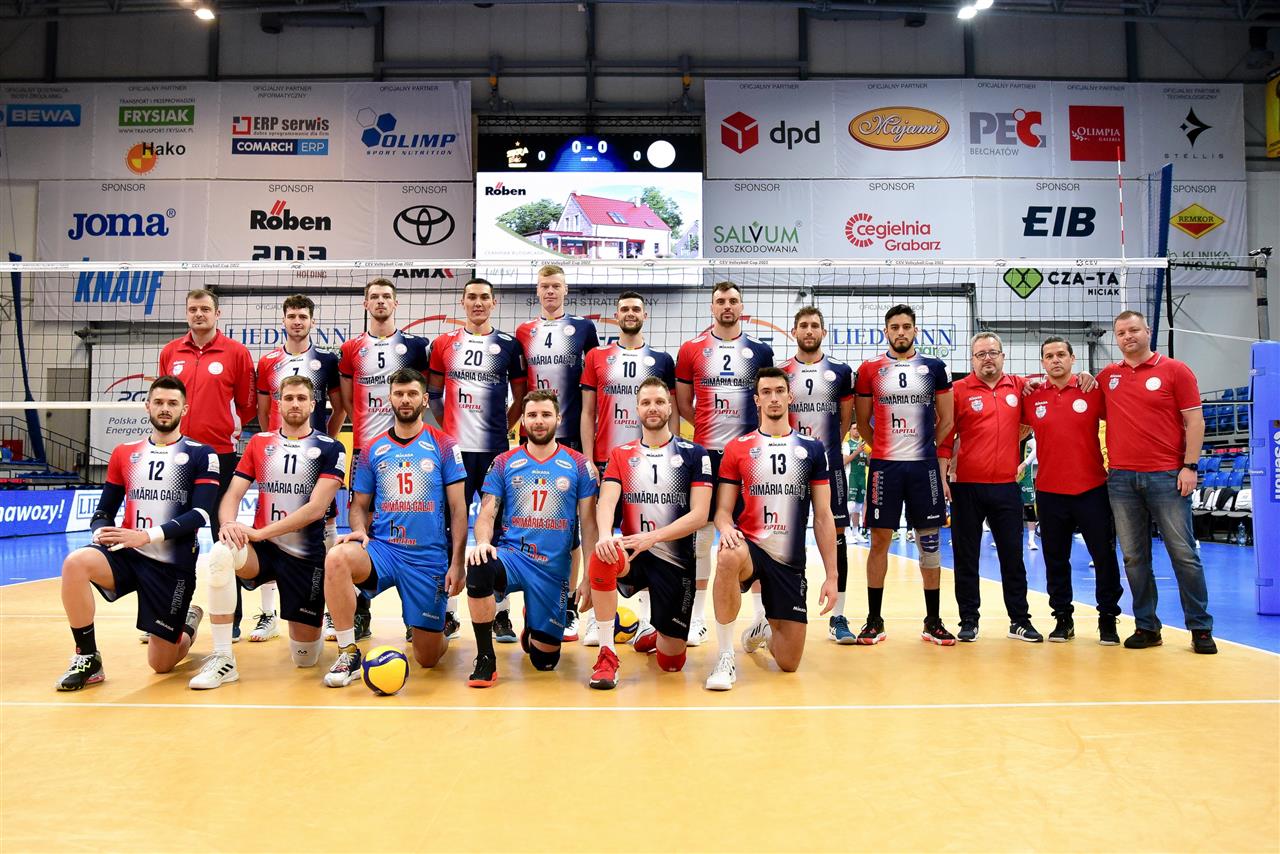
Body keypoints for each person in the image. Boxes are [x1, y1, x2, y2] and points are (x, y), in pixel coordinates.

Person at [54, 376, 216, 690]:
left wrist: (146, 535)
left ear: (184, 408)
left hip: (171, 566)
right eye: (159, 402)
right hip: (129, 554)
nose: (165, 408)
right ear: (147, 406)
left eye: (172, 403)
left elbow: (200, 515)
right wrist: (100, 532)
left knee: (161, 665)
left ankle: (187, 623)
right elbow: (102, 513)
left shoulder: (201, 454)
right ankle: (87, 658)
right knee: (76, 563)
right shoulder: (125, 453)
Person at [190, 376, 345, 689]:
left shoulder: (330, 447)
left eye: (301, 398)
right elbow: (232, 494)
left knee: (305, 658)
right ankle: (223, 658)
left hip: (304, 556)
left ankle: (311, 627)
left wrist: (260, 533)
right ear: (279, 403)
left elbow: (316, 509)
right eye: (289, 398)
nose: (295, 404)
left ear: (313, 405)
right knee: (220, 553)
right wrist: (229, 523)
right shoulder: (260, 443)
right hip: (262, 552)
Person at [321, 368, 468, 686]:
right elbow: (358, 506)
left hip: (427, 558)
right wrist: (359, 529)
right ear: (389, 398)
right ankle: (347, 652)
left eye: (412, 394)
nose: (405, 400)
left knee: (427, 658)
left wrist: (457, 562)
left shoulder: (444, 445)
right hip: (384, 551)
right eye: (399, 394)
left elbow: (459, 509)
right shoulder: (372, 449)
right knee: (337, 557)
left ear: (425, 400)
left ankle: (441, 626)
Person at [704, 368, 838, 691]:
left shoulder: (812, 449)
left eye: (779, 391)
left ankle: (762, 629)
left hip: (788, 560)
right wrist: (726, 528)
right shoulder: (738, 448)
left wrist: (832, 576)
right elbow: (722, 512)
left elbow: (823, 516)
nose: (774, 398)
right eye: (766, 392)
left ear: (790, 397)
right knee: (727, 555)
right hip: (750, 547)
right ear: (757, 400)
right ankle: (725, 656)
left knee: (789, 663)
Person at [1098, 310, 1216, 654]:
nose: (1128, 337)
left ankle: (1200, 628)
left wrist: (1189, 466)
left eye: (1133, 330)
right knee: (1134, 558)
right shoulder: (1108, 376)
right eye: (1121, 333)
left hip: (1167, 475)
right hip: (1122, 478)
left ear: (1148, 331)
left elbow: (1195, 422)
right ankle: (1147, 627)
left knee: (1184, 554)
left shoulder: (1175, 370)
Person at [464, 390, 599, 688]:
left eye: (546, 415)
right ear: (522, 421)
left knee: (544, 663)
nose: (539, 421)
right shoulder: (504, 462)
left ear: (558, 419)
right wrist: (483, 542)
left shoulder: (579, 466)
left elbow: (589, 527)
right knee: (479, 566)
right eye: (533, 415)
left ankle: (534, 619)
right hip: (513, 558)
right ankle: (485, 658)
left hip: (552, 571)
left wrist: (589, 578)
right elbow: (486, 513)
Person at [585, 377, 712, 689]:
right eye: (645, 403)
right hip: (633, 553)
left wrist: (652, 537)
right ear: (637, 409)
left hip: (674, 560)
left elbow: (699, 515)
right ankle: (606, 653)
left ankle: (659, 632)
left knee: (671, 664)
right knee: (602, 556)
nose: (652, 408)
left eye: (658, 402)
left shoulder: (695, 454)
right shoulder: (621, 454)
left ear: (669, 407)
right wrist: (605, 535)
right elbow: (607, 500)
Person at [675, 281, 774, 645]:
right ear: (712, 307)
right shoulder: (692, 349)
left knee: (755, 535)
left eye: (733, 300)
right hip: (706, 453)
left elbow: (768, 398)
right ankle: (697, 618)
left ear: (741, 307)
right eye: (721, 301)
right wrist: (704, 427)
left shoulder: (761, 351)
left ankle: (761, 618)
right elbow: (683, 404)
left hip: (748, 456)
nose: (727, 306)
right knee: (701, 535)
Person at [428, 277, 527, 641]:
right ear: (463, 302)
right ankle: (447, 612)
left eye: (485, 297)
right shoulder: (443, 344)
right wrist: (449, 430)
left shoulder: (508, 346)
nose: (478, 302)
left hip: (494, 452)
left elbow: (521, 398)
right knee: (447, 530)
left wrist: (502, 430)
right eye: (472, 297)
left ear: (493, 302)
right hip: (454, 454)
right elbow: (434, 395)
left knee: (498, 531)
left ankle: (501, 614)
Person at [156, 288, 256, 642]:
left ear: (217, 313)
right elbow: (163, 398)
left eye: (205, 309)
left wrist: (225, 428)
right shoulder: (171, 352)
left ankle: (232, 620)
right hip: (177, 454)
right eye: (193, 309)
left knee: (224, 536)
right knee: (173, 537)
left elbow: (247, 405)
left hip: (219, 455)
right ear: (187, 313)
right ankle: (167, 617)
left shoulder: (236, 352)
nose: (199, 314)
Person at [853, 305, 954, 646]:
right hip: (886, 467)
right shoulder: (870, 369)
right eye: (894, 327)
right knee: (880, 541)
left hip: (923, 466)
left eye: (906, 326)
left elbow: (947, 419)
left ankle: (933, 621)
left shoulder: (934, 368)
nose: (901, 332)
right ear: (886, 331)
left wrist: (925, 446)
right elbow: (862, 421)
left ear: (915, 331)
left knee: (929, 541)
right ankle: (874, 619)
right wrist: (884, 448)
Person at [579, 290, 676, 645]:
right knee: (596, 533)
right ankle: (595, 616)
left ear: (644, 315)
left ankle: (648, 620)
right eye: (624, 309)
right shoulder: (597, 356)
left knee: (646, 534)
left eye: (636, 308)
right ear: (616, 315)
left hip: (648, 462)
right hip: (606, 459)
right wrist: (588, 458)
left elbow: (670, 413)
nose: (630, 313)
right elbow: (587, 412)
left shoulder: (661, 360)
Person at [337, 278, 431, 642]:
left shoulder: (415, 347)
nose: (380, 302)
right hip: (367, 450)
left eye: (386, 297)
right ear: (365, 304)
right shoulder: (351, 349)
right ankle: (361, 612)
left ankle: (416, 614)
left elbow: (420, 394)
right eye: (374, 297)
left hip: (409, 451)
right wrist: (368, 431)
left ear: (396, 303)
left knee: (413, 527)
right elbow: (348, 400)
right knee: (362, 526)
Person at [252, 293, 344, 644]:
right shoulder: (268, 362)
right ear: (284, 320)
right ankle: (267, 615)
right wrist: (270, 448)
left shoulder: (326, 360)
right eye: (291, 316)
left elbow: (340, 407)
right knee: (269, 528)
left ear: (312, 321)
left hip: (315, 458)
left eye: (303, 316)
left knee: (327, 525)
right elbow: (263, 411)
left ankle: (331, 610)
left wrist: (324, 443)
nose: (297, 321)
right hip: (277, 458)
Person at [939, 332, 1042, 643]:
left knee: (1013, 557)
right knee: (966, 557)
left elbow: (1052, 383)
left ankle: (1019, 620)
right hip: (966, 486)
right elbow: (945, 438)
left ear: (1002, 356)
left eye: (993, 352)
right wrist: (943, 478)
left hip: (1006, 487)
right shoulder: (958, 390)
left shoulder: (1019, 386)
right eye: (980, 353)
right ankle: (968, 620)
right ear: (972, 359)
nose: (987, 358)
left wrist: (1085, 377)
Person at [515, 264, 599, 642]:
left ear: (566, 290)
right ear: (537, 291)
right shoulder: (524, 332)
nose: (550, 292)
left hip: (571, 440)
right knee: (531, 521)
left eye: (556, 286)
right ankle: (534, 601)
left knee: (572, 528)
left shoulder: (584, 330)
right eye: (544, 286)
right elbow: (519, 389)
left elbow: (594, 385)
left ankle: (566, 606)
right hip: (531, 439)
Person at [1023, 337, 1124, 645]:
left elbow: (1122, 414)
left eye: (1061, 354)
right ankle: (1063, 619)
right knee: (1055, 559)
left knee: (1104, 557)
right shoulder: (1032, 396)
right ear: (1042, 362)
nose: (1055, 360)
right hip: (1050, 491)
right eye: (1049, 356)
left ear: (1072, 358)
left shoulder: (1092, 390)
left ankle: (1108, 619)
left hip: (1091, 488)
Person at [780, 306, 856, 644]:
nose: (809, 331)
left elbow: (845, 420)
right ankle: (780, 611)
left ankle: (838, 616)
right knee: (783, 535)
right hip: (788, 466)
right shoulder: (781, 372)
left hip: (829, 465)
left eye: (814, 326)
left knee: (836, 534)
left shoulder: (840, 371)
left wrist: (825, 452)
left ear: (823, 332)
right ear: (794, 332)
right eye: (803, 326)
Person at [1016, 437, 1039, 552]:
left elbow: (1036, 448)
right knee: (1007, 507)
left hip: (1025, 475)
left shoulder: (1025, 432)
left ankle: (1031, 540)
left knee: (1029, 505)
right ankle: (1003, 537)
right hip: (1009, 473)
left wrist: (1023, 464)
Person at [844, 440, 869, 544]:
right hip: (851, 477)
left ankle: (855, 532)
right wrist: (857, 451)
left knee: (858, 506)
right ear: (850, 431)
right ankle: (846, 533)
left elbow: (868, 463)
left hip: (861, 477)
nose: (857, 431)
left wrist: (868, 453)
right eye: (854, 430)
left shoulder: (864, 444)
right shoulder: (847, 444)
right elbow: (844, 461)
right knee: (850, 505)